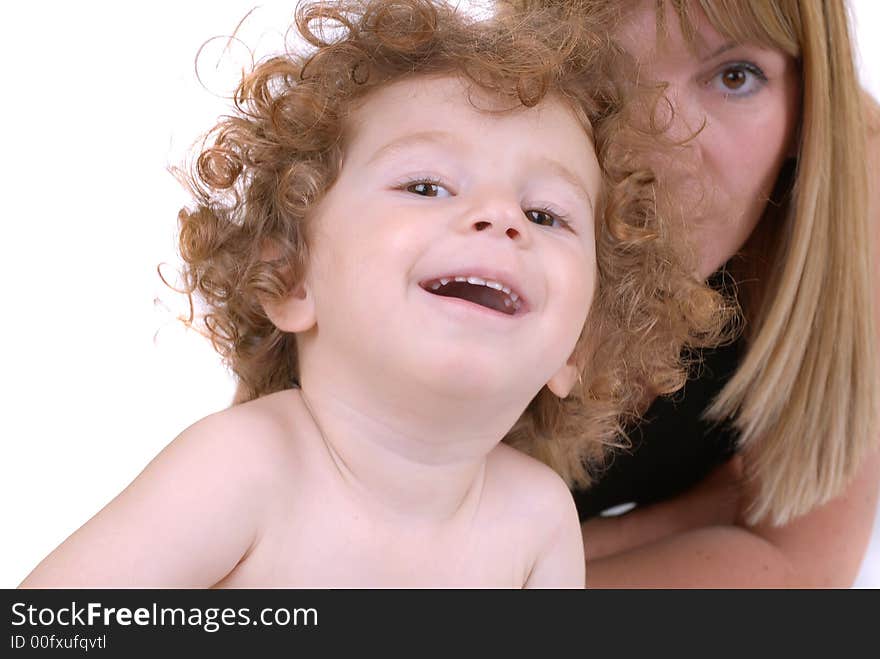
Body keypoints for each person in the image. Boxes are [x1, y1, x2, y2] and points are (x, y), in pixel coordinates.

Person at [19, 0, 727, 588]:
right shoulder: (248, 469)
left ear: (580, 344)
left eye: (546, 214)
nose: (500, 217)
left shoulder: (536, 521)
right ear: (293, 274)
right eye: (426, 185)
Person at [508, 0, 880, 587]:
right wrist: (699, 515)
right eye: (598, 74)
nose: (663, 155)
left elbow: (804, 570)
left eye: (735, 77)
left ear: (808, 104)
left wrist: (527, 557)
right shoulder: (441, 205)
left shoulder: (854, 190)